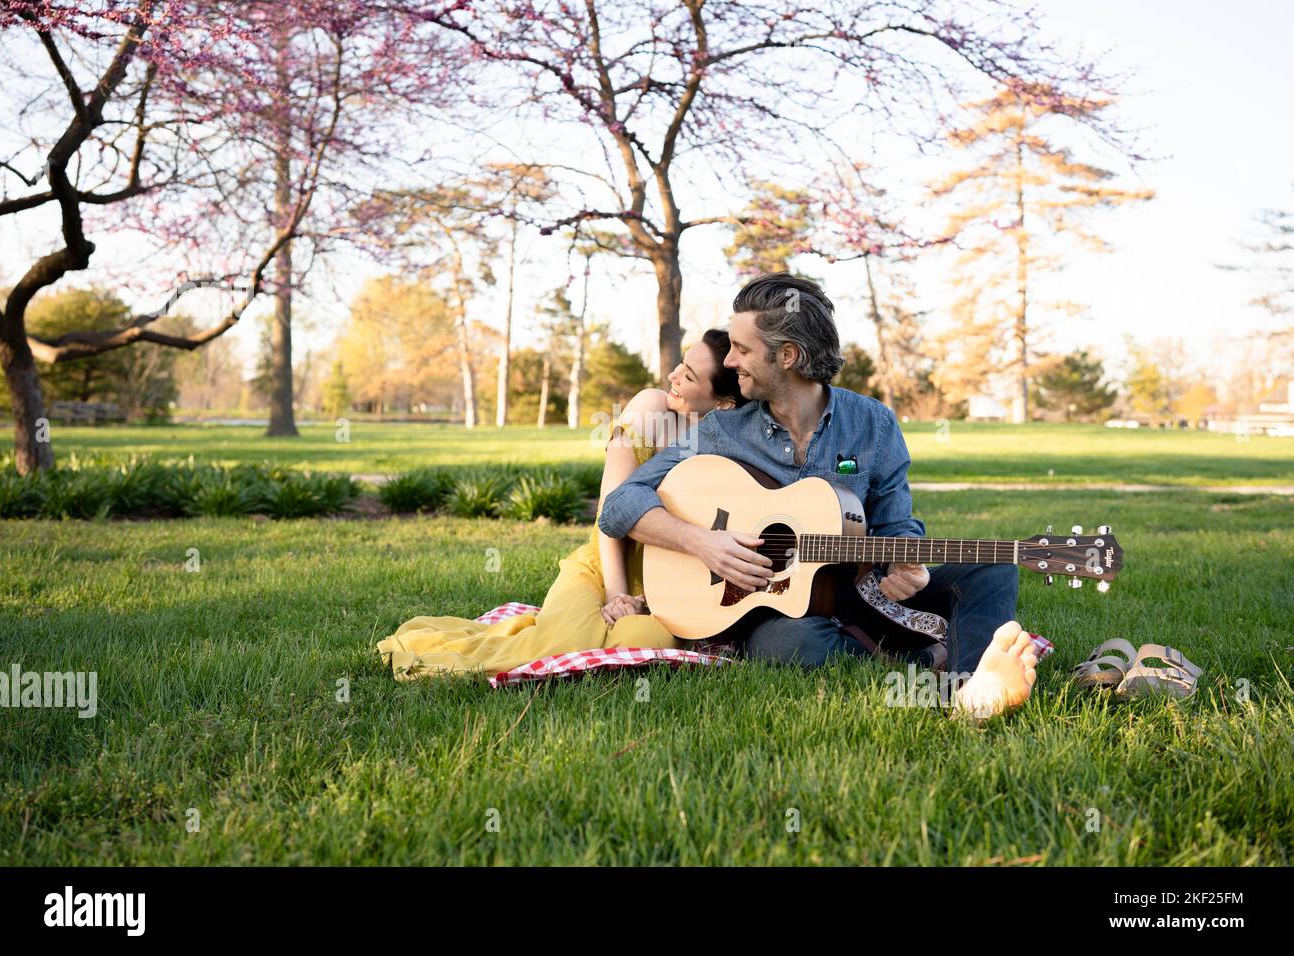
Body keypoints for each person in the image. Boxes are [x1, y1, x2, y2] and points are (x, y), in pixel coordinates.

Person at [598, 274, 1037, 717]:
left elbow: (895, 525)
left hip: (863, 589)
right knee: (793, 643)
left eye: (742, 349)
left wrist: (910, 569)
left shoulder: (874, 424)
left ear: (787, 356)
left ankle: (973, 689)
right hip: (780, 610)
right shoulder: (720, 431)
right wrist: (702, 542)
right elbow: (619, 504)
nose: (729, 361)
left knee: (994, 566)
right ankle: (922, 660)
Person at [377, 329, 749, 679]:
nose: (672, 375)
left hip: (667, 582)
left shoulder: (728, 441)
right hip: (603, 566)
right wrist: (616, 596)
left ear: (724, 403)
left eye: (688, 376)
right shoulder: (651, 408)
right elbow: (610, 512)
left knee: (654, 641)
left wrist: (649, 600)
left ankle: (593, 630)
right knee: (564, 640)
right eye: (679, 365)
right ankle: (452, 651)